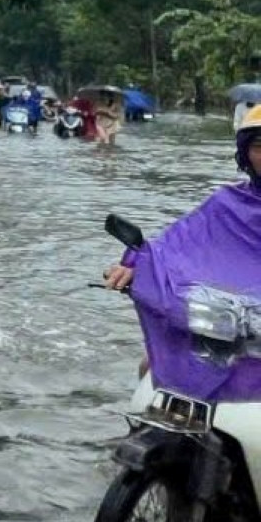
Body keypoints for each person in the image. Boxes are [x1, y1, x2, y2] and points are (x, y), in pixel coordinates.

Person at [103, 109, 261, 387]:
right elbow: (175, 245)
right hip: (239, 325)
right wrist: (136, 264)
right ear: (246, 152)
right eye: (260, 146)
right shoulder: (225, 204)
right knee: (150, 367)